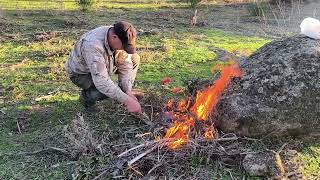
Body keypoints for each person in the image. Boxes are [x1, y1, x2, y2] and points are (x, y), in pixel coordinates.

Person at [64, 21, 142, 114]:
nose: (123, 48)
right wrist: (127, 101)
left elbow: (125, 63)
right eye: (123, 46)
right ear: (114, 38)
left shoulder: (118, 35)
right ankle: (87, 97)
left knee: (134, 58)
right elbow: (102, 82)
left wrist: (127, 90)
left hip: (104, 64)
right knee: (104, 89)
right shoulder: (92, 45)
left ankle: (122, 93)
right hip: (82, 74)